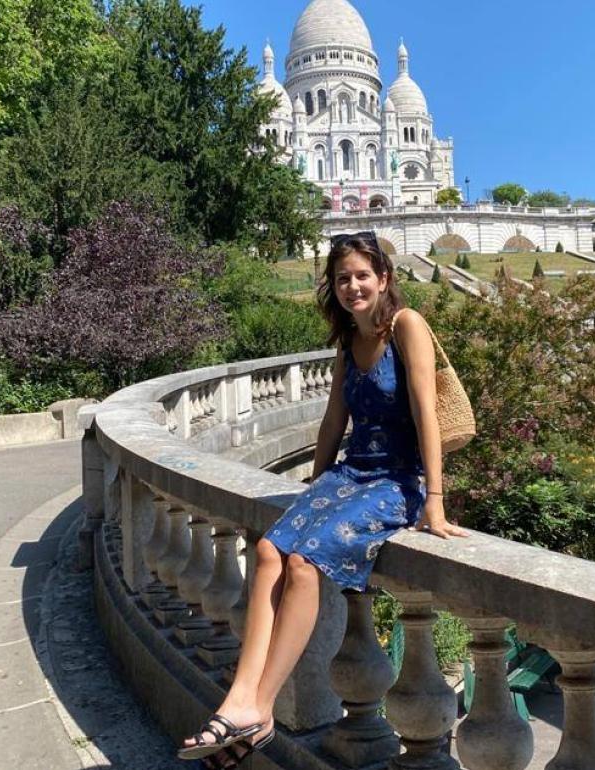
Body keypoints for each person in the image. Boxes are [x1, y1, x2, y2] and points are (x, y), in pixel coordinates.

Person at [179, 232, 468, 767]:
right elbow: (335, 421)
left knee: (304, 564)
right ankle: (241, 697)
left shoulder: (407, 327)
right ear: (332, 288)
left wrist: (435, 500)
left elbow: (428, 412)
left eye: (362, 275)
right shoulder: (347, 343)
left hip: (395, 482)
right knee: (270, 550)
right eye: (342, 279)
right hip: (349, 474)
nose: (353, 286)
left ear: (384, 277)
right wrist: (312, 492)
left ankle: (259, 711)